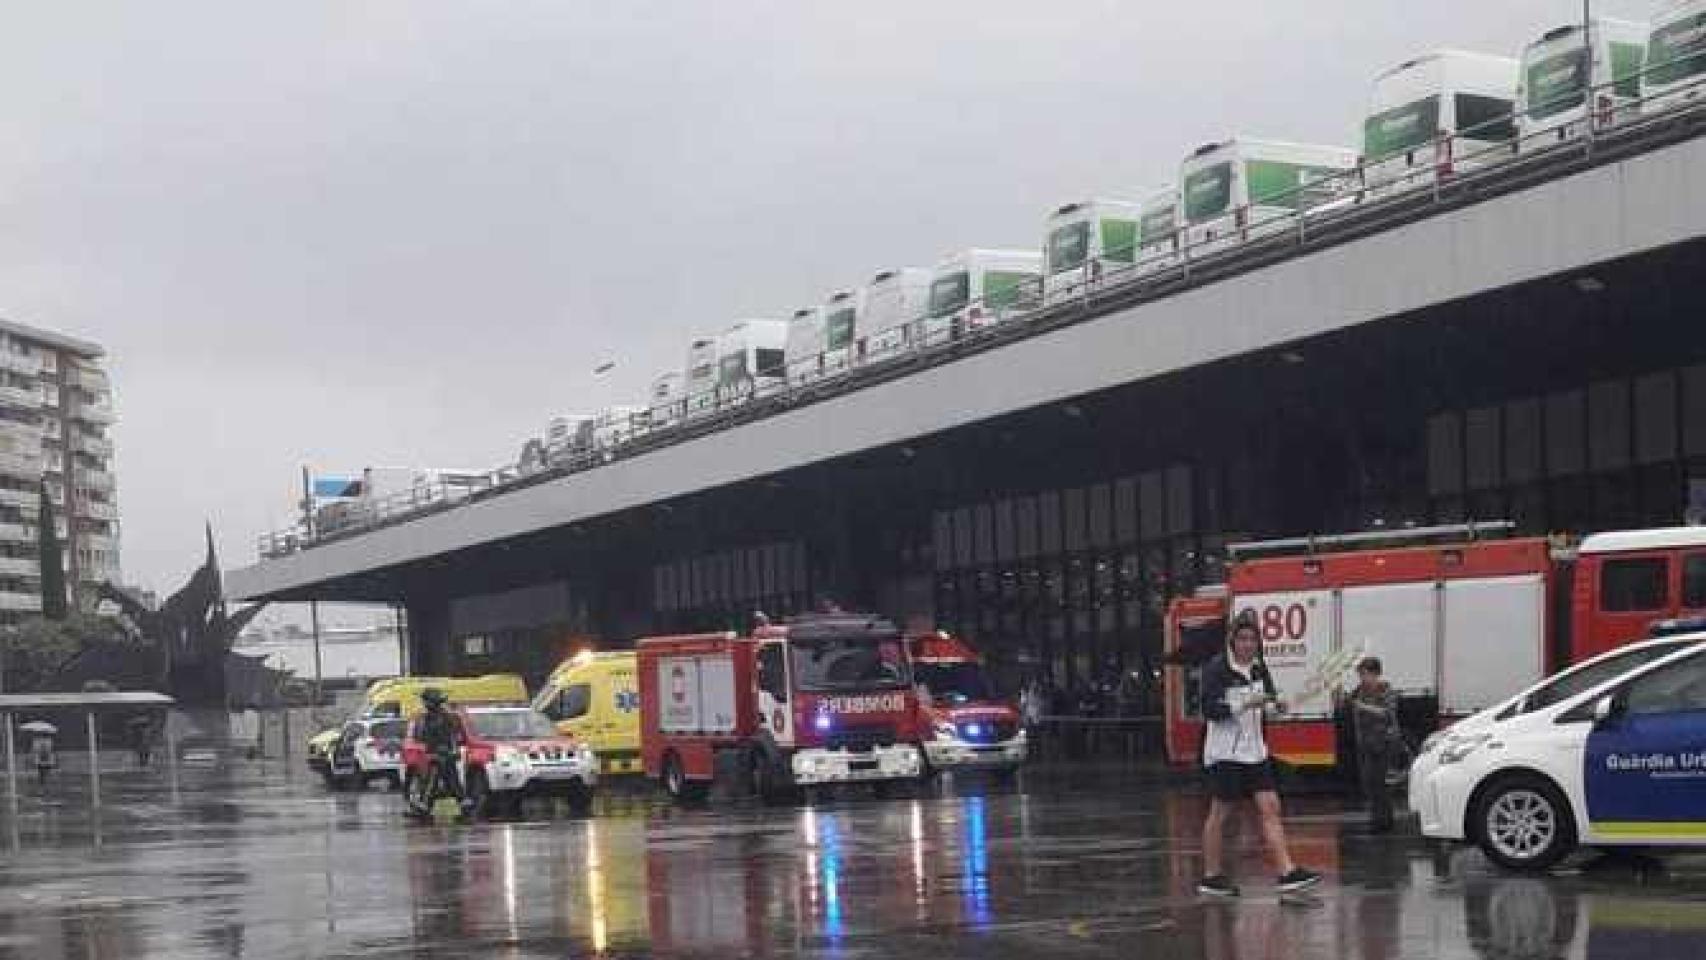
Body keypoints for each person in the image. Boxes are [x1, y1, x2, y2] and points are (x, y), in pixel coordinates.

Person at [1196, 611, 1323, 897]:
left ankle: (1287, 871)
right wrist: (1244, 704)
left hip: (1256, 752)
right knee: (1221, 812)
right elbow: (1209, 710)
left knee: (1270, 806)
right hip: (1226, 754)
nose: (1247, 644)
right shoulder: (1216, 670)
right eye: (1242, 638)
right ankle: (1211, 875)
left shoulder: (1259, 668)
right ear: (1232, 641)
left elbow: (1267, 699)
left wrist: (1275, 706)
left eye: (1252, 639)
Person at [1343, 656, 1400, 833]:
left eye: (1364, 674)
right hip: (1366, 742)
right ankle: (1377, 819)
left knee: (1380, 782)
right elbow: (1348, 702)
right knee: (1369, 783)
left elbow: (1387, 713)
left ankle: (1385, 821)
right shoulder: (1360, 690)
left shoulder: (1386, 689)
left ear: (1375, 674)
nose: (1362, 678)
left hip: (1384, 742)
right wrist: (1341, 696)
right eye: (1360, 674)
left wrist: (1363, 707)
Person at [417, 688, 473, 817]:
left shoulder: (445, 717)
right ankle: (463, 803)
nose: (424, 704)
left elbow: (453, 735)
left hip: (443, 754)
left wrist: (451, 750)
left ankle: (425, 806)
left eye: (425, 701)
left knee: (435, 780)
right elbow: (423, 737)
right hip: (438, 753)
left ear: (432, 702)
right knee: (449, 780)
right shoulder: (430, 717)